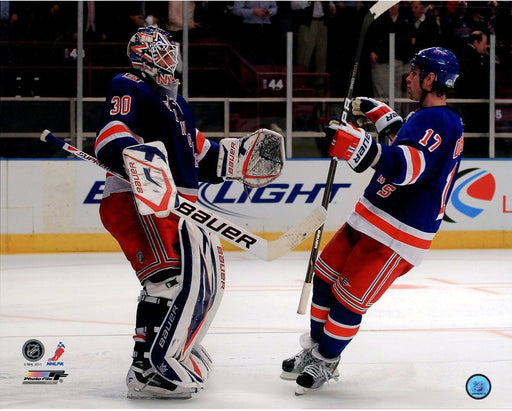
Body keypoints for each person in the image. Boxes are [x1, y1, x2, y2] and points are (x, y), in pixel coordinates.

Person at [94, 25, 285, 399]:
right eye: (163, 51)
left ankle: (173, 345)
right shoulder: (130, 83)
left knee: (196, 285)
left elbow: (200, 156)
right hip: (140, 201)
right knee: (167, 283)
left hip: (179, 209)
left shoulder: (176, 102)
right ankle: (146, 367)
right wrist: (135, 158)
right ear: (145, 54)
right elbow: (113, 133)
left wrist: (237, 159)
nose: (171, 58)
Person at [281, 47, 463, 394]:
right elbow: (402, 143)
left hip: (399, 232)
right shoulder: (425, 118)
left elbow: (409, 167)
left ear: (430, 79)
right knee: (324, 280)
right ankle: (316, 351)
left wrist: (358, 146)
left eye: (415, 73)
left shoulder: (441, 120)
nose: (408, 78)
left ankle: (327, 359)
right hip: (370, 217)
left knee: (349, 299)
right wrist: (381, 116)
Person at [367, 2, 413, 98]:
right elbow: (370, 36)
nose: (393, 6)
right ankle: (381, 112)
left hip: (401, 61)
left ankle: (397, 113)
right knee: (382, 91)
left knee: (398, 93)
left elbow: (412, 37)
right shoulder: (379, 18)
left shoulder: (406, 18)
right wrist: (371, 51)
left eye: (395, 3)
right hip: (382, 61)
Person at [231, 1, 278, 65]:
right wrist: (253, 12)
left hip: (266, 27)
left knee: (266, 56)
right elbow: (235, 10)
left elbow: (274, 8)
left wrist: (269, 12)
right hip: (248, 28)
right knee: (249, 57)